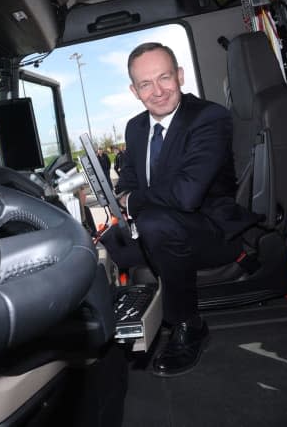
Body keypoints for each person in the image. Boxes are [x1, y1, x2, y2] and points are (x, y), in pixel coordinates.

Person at [110, 42, 260, 377]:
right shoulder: (135, 128)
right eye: (146, 84)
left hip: (213, 232)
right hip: (159, 224)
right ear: (134, 91)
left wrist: (131, 201)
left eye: (164, 77)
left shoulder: (209, 117)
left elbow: (186, 194)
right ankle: (110, 329)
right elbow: (129, 180)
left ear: (179, 76)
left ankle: (189, 325)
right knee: (100, 243)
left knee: (154, 223)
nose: (158, 91)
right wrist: (122, 200)